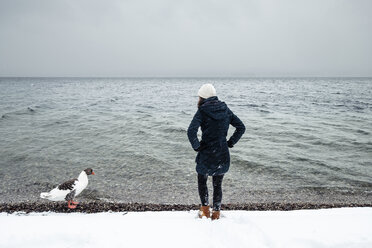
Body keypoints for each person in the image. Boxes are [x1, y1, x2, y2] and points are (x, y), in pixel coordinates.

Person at [187, 84, 245, 220]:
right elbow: (241, 127)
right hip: (222, 153)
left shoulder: (202, 110)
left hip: (206, 153)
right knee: (217, 184)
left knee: (202, 181)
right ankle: (216, 213)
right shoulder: (225, 109)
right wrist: (230, 142)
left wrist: (196, 146)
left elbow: (191, 131)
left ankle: (205, 211)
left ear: (202, 97)